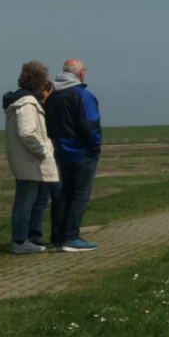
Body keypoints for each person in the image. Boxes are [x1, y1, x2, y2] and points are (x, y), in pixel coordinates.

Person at [43, 58, 102, 251]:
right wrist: (95, 146)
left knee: (64, 195)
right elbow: (90, 125)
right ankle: (71, 237)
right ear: (81, 73)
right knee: (80, 195)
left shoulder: (52, 97)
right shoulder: (82, 95)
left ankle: (58, 237)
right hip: (81, 151)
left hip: (59, 151)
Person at [2, 61, 58, 255]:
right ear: (40, 82)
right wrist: (43, 151)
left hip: (25, 159)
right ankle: (19, 240)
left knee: (28, 200)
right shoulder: (27, 103)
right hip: (29, 160)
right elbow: (27, 133)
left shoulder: (21, 100)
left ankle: (24, 239)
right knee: (25, 201)